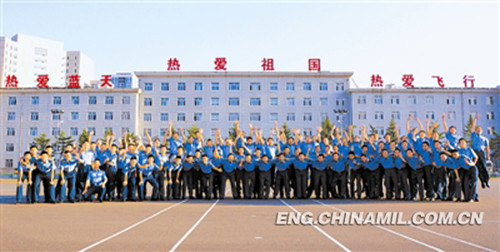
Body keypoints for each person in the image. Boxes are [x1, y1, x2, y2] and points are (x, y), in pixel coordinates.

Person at [470, 114, 491, 188]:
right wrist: (475, 119)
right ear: (475, 131)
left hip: (482, 152)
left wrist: (488, 156)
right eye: (477, 129)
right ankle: (482, 181)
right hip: (475, 152)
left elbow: (487, 148)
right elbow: (472, 126)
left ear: (481, 131)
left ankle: (487, 180)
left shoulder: (485, 139)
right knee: (478, 167)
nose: (478, 130)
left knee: (484, 167)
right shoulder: (474, 135)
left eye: (480, 130)